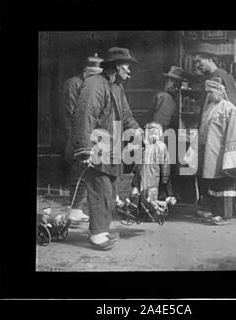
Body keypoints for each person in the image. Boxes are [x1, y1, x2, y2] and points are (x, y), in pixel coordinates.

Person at [71, 47, 143, 250]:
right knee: (100, 189)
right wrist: (84, 149)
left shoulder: (117, 87)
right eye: (127, 66)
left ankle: (101, 230)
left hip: (111, 148)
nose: (129, 71)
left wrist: (137, 130)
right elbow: (85, 116)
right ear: (118, 66)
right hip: (96, 147)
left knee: (110, 191)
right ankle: (96, 234)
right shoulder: (94, 85)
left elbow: (126, 114)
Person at [196, 78, 236, 225]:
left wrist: (231, 152)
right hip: (210, 152)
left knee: (225, 183)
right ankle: (215, 211)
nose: (209, 95)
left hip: (223, 152)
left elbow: (234, 131)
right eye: (207, 92)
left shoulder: (228, 108)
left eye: (211, 92)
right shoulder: (209, 108)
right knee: (213, 183)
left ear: (220, 91)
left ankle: (225, 215)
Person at [60, 53, 104, 223]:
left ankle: (78, 207)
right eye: (92, 75)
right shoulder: (74, 84)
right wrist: (79, 139)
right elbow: (71, 113)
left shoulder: (92, 86)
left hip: (90, 134)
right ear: (85, 72)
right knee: (78, 171)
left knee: (87, 172)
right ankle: (73, 208)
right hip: (76, 134)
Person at [151, 66, 184, 131]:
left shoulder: (169, 97)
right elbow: (161, 124)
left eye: (176, 83)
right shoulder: (165, 98)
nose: (173, 85)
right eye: (171, 81)